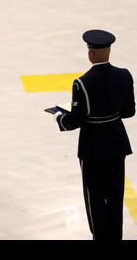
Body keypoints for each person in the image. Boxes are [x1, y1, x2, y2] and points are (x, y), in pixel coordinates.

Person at [53, 29, 135, 239]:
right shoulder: (125, 75)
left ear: (91, 53)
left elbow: (75, 121)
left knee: (95, 197)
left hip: (93, 148)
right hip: (117, 143)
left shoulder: (82, 83)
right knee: (116, 195)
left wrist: (59, 117)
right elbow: (129, 111)